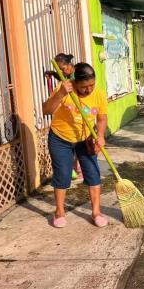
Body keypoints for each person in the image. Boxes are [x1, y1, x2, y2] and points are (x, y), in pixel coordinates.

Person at [42, 63, 108, 228]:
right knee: (63, 174)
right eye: (84, 86)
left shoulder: (99, 94)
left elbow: (101, 118)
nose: (89, 90)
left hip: (85, 138)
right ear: (75, 82)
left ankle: (96, 212)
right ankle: (59, 212)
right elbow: (47, 110)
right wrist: (62, 93)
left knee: (93, 173)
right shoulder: (64, 88)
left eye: (92, 85)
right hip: (60, 139)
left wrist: (100, 136)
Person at [45, 53, 83, 179]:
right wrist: (52, 73)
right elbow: (63, 79)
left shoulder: (78, 73)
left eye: (63, 68)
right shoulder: (67, 75)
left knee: (79, 140)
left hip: (81, 113)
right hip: (69, 113)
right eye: (59, 70)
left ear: (69, 65)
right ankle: (75, 168)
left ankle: (78, 167)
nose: (62, 71)